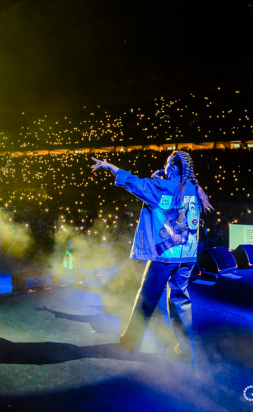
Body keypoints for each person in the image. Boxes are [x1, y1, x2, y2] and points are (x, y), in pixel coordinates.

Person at [90, 151, 213, 363]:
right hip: (188, 256)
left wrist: (110, 167)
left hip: (165, 256)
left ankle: (130, 342)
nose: (164, 166)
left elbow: (134, 183)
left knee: (146, 299)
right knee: (180, 301)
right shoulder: (194, 188)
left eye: (167, 163)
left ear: (174, 168)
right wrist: (160, 178)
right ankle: (186, 351)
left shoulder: (159, 187)